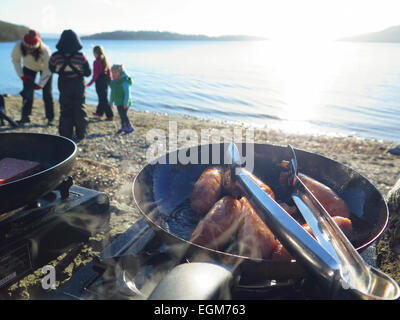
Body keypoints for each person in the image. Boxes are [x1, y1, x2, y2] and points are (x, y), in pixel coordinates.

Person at [49, 30, 91, 142]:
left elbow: (51, 69)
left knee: (65, 108)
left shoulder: (55, 56)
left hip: (63, 84)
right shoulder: (81, 56)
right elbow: (88, 73)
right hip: (78, 84)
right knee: (80, 108)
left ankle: (66, 135)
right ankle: (80, 134)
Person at [11, 30, 54, 126]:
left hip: (44, 69)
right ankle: (25, 117)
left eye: (32, 50)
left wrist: (41, 84)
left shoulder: (46, 51)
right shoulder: (18, 45)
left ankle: (50, 118)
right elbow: (15, 61)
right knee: (27, 93)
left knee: (47, 93)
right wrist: (21, 75)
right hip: (28, 68)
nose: (29, 51)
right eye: (27, 49)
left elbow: (48, 70)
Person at [86, 45, 113, 121]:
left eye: (93, 52)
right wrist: (110, 82)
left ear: (95, 53)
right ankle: (99, 112)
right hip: (105, 81)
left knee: (103, 99)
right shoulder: (104, 59)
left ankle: (110, 115)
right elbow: (109, 72)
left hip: (99, 81)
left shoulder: (96, 62)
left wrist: (90, 83)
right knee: (102, 97)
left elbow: (95, 75)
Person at [109, 64, 134, 134]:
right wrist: (111, 102)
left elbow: (127, 93)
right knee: (121, 115)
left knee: (124, 115)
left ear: (120, 73)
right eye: (112, 72)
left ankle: (129, 127)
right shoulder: (113, 82)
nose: (113, 74)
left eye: (115, 73)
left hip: (125, 102)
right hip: (118, 102)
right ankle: (123, 126)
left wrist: (125, 103)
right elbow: (112, 93)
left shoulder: (125, 82)